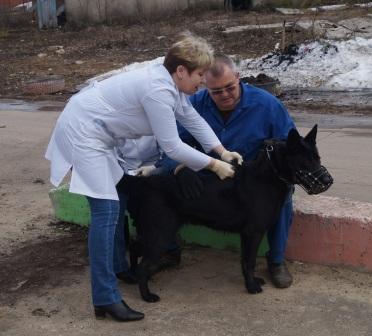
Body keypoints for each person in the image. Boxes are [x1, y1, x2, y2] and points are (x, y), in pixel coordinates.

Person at [45, 34, 243, 322]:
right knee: (107, 211)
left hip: (100, 136)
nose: (202, 81)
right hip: (84, 132)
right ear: (181, 71)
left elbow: (192, 120)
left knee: (113, 205)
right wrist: (213, 165)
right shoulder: (158, 90)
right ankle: (105, 298)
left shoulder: (172, 87)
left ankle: (116, 272)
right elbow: (172, 145)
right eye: (199, 74)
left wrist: (222, 151)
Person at [162, 54, 295, 289]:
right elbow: (170, 142)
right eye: (216, 91)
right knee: (164, 181)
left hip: (254, 181)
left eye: (229, 87)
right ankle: (168, 251)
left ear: (238, 78)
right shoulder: (194, 104)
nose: (224, 95)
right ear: (205, 87)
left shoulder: (267, 105)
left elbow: (290, 146)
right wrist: (179, 168)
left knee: (282, 197)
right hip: (209, 172)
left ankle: (276, 260)